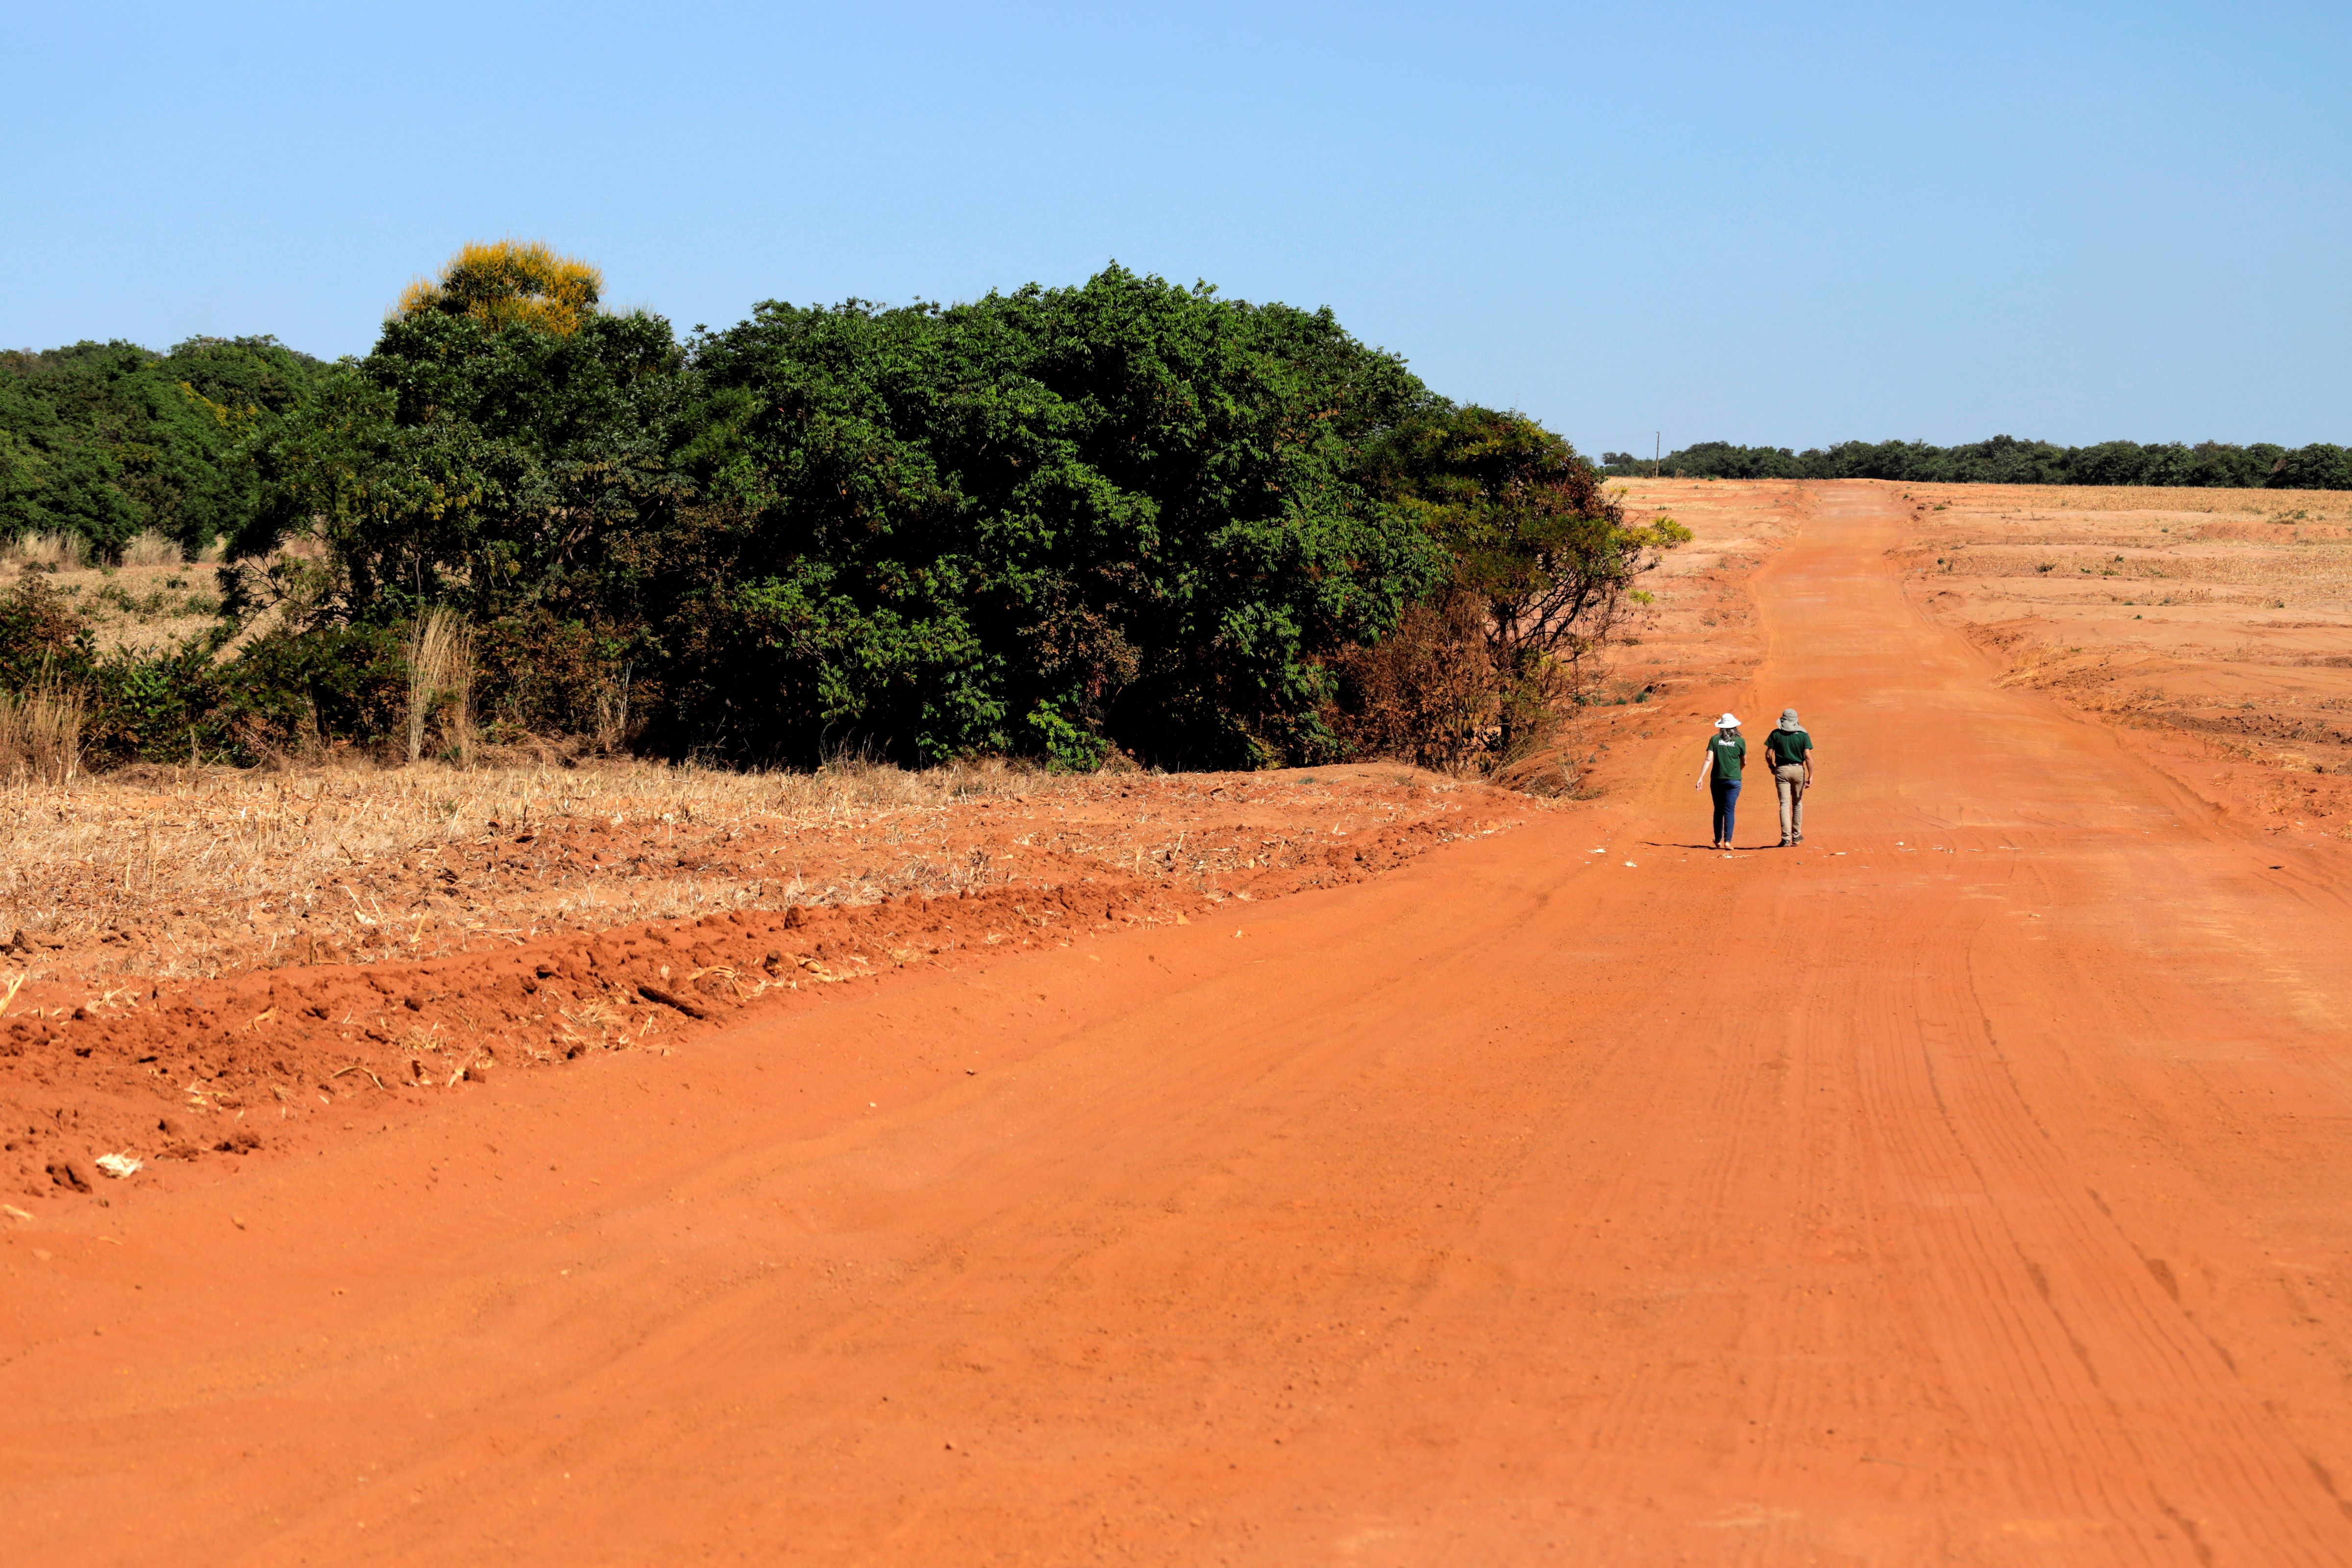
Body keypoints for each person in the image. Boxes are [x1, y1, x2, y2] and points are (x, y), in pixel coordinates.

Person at [1693, 712, 1745, 851]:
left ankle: (1718, 840)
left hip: (1717, 780)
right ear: (1734, 727)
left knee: (1718, 810)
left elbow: (1708, 759)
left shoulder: (1715, 740)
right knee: (1729, 810)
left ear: (1721, 727)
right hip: (1734, 781)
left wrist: (1701, 778)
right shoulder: (1740, 741)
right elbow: (1744, 761)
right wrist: (1737, 771)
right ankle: (1728, 841)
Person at [1765, 707, 1815, 846]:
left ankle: (1786, 838)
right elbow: (1808, 756)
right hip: (1798, 769)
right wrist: (1811, 775)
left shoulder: (1775, 734)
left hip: (1782, 770)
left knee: (1784, 804)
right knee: (1797, 803)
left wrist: (1772, 767)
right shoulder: (1803, 734)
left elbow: (1769, 755)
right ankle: (1797, 836)